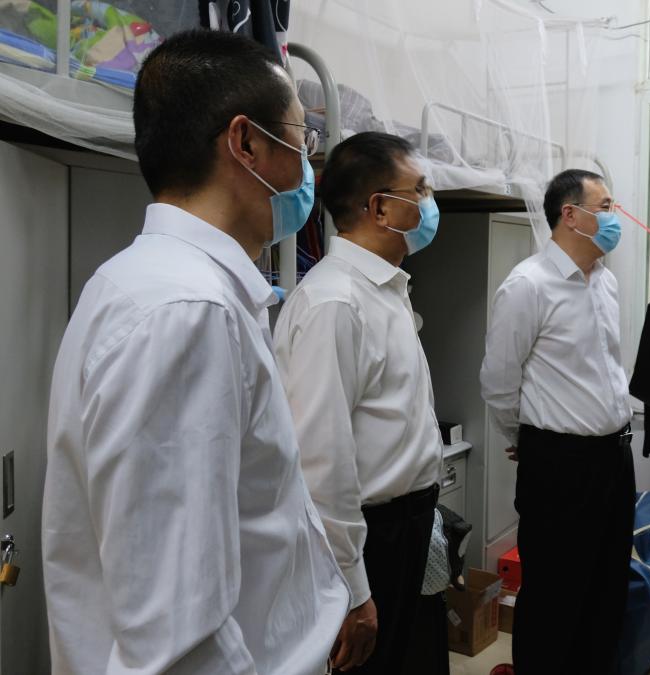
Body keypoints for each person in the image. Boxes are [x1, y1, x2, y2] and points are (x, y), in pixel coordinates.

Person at [42, 30, 349, 674]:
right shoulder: (186, 312)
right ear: (246, 143)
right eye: (302, 136)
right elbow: (176, 640)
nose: (308, 161)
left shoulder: (155, 285)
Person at [274, 131, 445, 674]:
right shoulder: (335, 302)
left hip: (408, 522)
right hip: (371, 537)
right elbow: (321, 462)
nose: (429, 203)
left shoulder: (385, 289)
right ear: (380, 207)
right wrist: (352, 589)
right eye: (420, 191)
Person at [480, 169, 634, 674]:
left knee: (607, 586)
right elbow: (498, 381)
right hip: (560, 463)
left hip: (614, 456)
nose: (614, 217)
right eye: (605, 207)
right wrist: (524, 437)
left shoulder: (605, 280)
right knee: (554, 593)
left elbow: (606, 369)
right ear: (570, 215)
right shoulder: (528, 285)